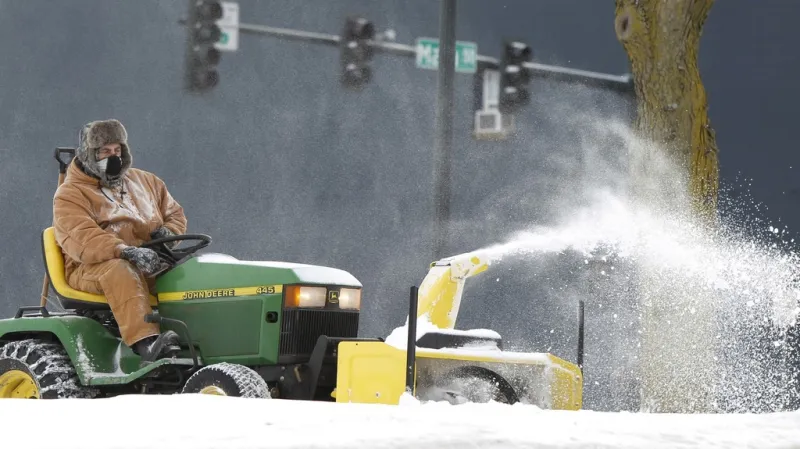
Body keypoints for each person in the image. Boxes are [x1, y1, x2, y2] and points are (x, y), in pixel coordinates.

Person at [53, 119, 187, 362]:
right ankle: (146, 342)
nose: (113, 157)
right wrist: (123, 251)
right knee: (120, 271)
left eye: (117, 150)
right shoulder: (70, 195)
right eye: (105, 151)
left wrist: (168, 233)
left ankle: (195, 336)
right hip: (90, 267)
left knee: (189, 273)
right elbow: (81, 238)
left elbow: (174, 213)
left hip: (148, 258)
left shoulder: (146, 182)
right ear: (88, 154)